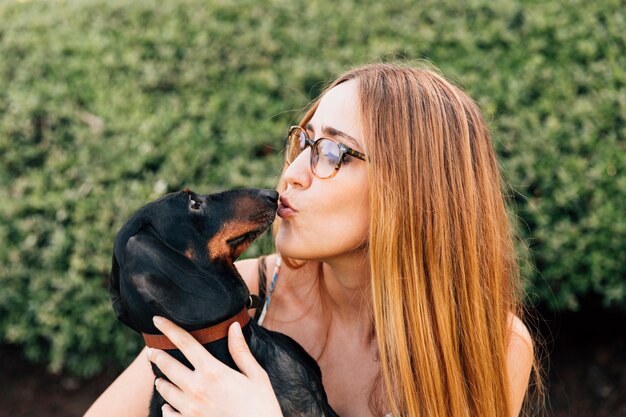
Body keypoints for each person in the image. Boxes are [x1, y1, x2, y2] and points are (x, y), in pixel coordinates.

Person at [85, 63, 536, 417]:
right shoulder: (241, 294)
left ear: (417, 190)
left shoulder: (490, 344)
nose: (293, 174)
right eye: (303, 142)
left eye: (334, 152)